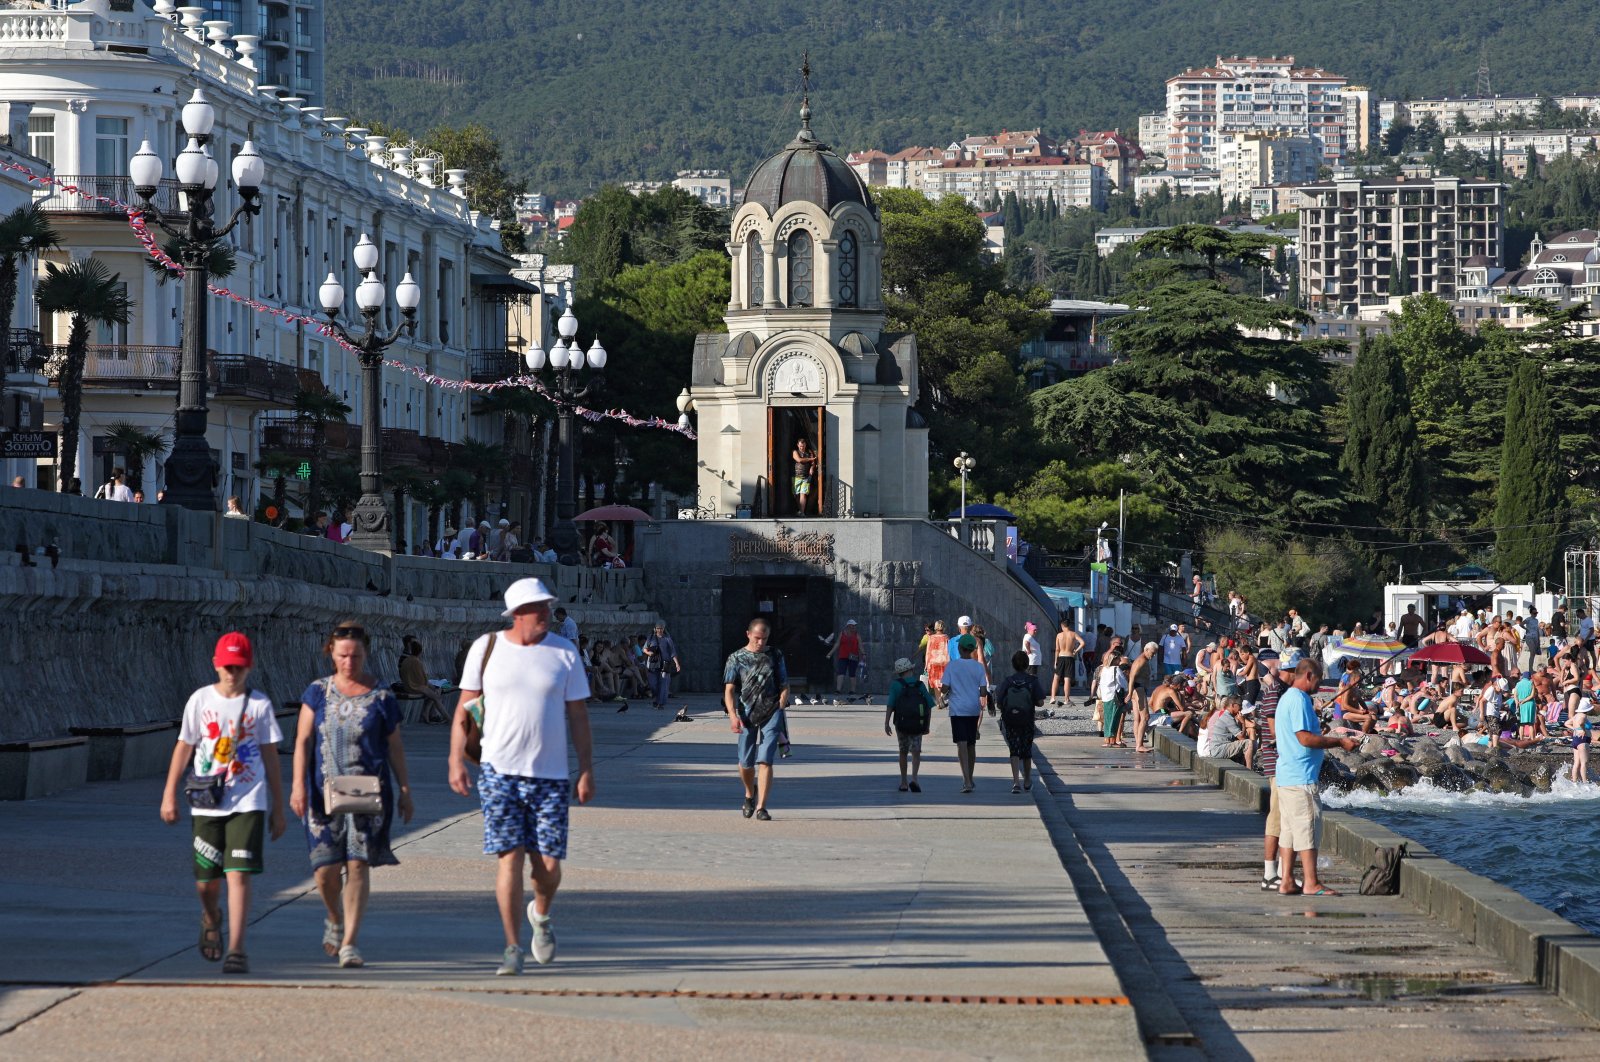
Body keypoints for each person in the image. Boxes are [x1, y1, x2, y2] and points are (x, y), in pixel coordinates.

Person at [448, 577, 595, 976]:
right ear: (516, 613)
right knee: (509, 860)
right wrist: (455, 761)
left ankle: (541, 915)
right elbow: (464, 710)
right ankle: (512, 947)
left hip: (550, 776)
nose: (547, 612)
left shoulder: (564, 652)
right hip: (498, 772)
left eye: (547, 605)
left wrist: (586, 769)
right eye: (538, 607)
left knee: (547, 868)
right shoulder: (487, 648)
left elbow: (579, 716)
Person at [159, 632, 286, 975]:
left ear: (250, 667)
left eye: (239, 667)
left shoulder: (259, 705)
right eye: (228, 667)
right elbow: (184, 746)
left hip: (248, 799)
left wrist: (279, 804)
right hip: (206, 801)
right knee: (207, 882)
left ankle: (237, 948)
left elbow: (270, 756)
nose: (233, 673)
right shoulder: (200, 700)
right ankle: (212, 915)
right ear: (216, 665)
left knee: (239, 875)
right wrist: (169, 792)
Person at [290, 621, 414, 968]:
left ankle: (349, 943)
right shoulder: (317, 692)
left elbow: (395, 746)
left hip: (368, 792)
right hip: (321, 792)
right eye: (343, 655)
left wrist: (405, 789)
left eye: (356, 656)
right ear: (331, 652)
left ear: (366, 654)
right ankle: (333, 916)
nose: (349, 662)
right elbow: (302, 742)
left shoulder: (383, 697)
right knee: (325, 870)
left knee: (358, 865)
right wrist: (298, 784)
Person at [1274, 659, 1361, 896]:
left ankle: (1288, 881)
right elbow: (1305, 739)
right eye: (1319, 680)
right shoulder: (1299, 700)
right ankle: (1311, 883)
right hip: (1300, 776)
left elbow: (1301, 735)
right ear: (1309, 675)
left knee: (1290, 832)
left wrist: (1316, 726)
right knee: (1308, 828)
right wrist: (1340, 741)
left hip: (1287, 775)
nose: (1320, 685)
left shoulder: (1289, 698)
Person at [722, 617, 789, 820]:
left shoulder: (775, 655)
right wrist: (733, 716)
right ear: (748, 634)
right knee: (746, 763)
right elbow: (729, 690)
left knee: (766, 760)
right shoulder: (736, 658)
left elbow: (784, 683)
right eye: (758, 638)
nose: (761, 643)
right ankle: (750, 794)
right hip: (746, 714)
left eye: (765, 638)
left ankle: (761, 807)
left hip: (772, 711)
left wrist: (783, 699)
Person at [941, 634, 988, 793]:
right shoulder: (978, 667)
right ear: (973, 649)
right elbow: (983, 691)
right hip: (973, 708)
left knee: (961, 743)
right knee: (971, 744)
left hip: (957, 709)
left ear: (959, 648)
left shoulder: (952, 666)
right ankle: (971, 778)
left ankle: (966, 780)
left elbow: (944, 689)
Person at [995, 650, 1045, 793]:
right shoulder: (1032, 681)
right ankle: (1028, 780)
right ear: (1027, 664)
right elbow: (1041, 702)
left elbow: (999, 703)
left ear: (1013, 665)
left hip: (1011, 720)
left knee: (1014, 750)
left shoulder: (1008, 681)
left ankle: (1016, 782)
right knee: (1026, 750)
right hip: (1027, 719)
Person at [884, 656, 933, 792]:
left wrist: (886, 723)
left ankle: (904, 782)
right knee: (916, 752)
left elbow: (890, 705)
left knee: (903, 751)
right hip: (918, 724)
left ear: (899, 672)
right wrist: (927, 725)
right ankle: (915, 779)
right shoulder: (920, 685)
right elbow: (929, 705)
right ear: (911, 669)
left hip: (901, 723)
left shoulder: (896, 685)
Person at [396, 635, 450, 724]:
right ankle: (445, 718)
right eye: (414, 642)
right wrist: (427, 684)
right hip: (415, 685)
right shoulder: (412, 660)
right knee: (437, 690)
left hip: (414, 683)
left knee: (438, 688)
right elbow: (421, 678)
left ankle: (428, 713)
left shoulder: (409, 659)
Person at [643, 623, 682, 712]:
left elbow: (673, 652)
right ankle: (656, 698)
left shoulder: (667, 639)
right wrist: (649, 653)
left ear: (664, 629)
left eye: (661, 628)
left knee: (663, 684)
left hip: (665, 664)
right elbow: (644, 649)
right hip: (653, 664)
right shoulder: (651, 638)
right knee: (653, 684)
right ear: (655, 629)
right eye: (658, 628)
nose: (659, 630)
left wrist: (677, 664)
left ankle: (660, 702)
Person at [1128, 641, 1159, 752]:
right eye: (1152, 653)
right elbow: (1131, 677)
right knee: (1145, 717)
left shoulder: (1144, 660)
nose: (1153, 655)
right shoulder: (1141, 661)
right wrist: (1129, 693)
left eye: (1155, 653)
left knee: (1137, 719)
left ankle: (1138, 744)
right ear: (1146, 650)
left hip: (1138, 689)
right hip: (1139, 689)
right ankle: (1139, 745)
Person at [828, 618, 865, 701]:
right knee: (841, 673)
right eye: (853, 625)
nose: (854, 627)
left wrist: (863, 653)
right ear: (848, 626)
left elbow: (860, 645)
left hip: (854, 656)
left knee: (852, 674)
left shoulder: (857, 635)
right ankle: (838, 690)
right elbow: (837, 644)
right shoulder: (842, 634)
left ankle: (853, 690)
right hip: (843, 656)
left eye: (855, 626)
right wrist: (830, 653)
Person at [1097, 650, 1128, 748]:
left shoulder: (1104, 669)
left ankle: (1107, 740)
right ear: (1115, 659)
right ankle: (1112, 741)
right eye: (1118, 658)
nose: (1120, 660)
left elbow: (1101, 683)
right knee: (1115, 718)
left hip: (1106, 696)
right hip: (1115, 696)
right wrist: (1127, 690)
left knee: (1107, 718)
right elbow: (1123, 683)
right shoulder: (1116, 669)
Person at [1050, 618, 1083, 706]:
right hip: (1069, 657)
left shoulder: (1059, 635)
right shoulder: (1073, 634)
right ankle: (1066, 699)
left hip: (1061, 656)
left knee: (1056, 678)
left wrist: (1055, 661)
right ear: (1069, 625)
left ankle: (1052, 697)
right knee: (1067, 679)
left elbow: (1057, 649)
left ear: (1062, 625)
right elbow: (1083, 643)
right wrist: (1076, 651)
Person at [924, 620, 950, 711]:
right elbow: (948, 651)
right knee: (943, 682)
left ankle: (939, 702)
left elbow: (928, 652)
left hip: (933, 663)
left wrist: (926, 664)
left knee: (935, 684)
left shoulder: (931, 638)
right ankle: (942, 698)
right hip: (944, 662)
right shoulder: (946, 637)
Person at [791, 436, 817, 515]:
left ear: (805, 445)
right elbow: (799, 460)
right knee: (796, 494)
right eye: (801, 446)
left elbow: (813, 463)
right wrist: (811, 459)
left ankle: (802, 512)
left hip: (806, 476)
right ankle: (800, 510)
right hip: (796, 476)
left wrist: (812, 468)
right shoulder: (795, 452)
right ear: (798, 445)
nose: (802, 447)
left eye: (803, 446)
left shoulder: (809, 452)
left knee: (803, 494)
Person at [1570, 697, 1593, 783]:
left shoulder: (1576, 716)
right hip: (1583, 741)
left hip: (1576, 739)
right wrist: (1581, 729)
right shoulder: (1583, 716)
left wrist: (1575, 729)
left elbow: (1566, 723)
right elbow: (1580, 723)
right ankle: (1584, 782)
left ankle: (1574, 782)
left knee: (1576, 763)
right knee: (1584, 762)